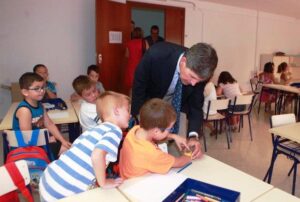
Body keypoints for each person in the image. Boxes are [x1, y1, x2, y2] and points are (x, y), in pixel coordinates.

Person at [131, 42, 218, 159]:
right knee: (147, 147)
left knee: (179, 148)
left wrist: (193, 136)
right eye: (192, 76)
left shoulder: (197, 77)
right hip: (151, 101)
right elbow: (139, 87)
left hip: (178, 104)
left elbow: (195, 106)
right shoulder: (156, 55)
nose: (194, 83)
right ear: (183, 62)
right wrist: (140, 120)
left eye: (198, 81)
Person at [39, 91, 131, 201]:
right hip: (62, 191)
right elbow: (97, 156)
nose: (130, 115)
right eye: (127, 110)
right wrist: (103, 182)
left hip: (49, 178)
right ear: (116, 111)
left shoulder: (94, 129)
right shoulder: (115, 131)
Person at [120, 98, 200, 179]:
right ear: (156, 131)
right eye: (170, 129)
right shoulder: (153, 154)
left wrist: (173, 136)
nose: (171, 131)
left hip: (126, 177)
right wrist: (189, 154)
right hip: (137, 184)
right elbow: (178, 162)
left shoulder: (135, 130)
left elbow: (155, 135)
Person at [13, 72, 71, 159]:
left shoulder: (40, 105)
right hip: (25, 147)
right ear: (25, 92)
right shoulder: (24, 110)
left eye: (42, 87)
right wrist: (46, 139)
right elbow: (27, 137)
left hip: (37, 142)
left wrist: (62, 140)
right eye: (36, 88)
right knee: (67, 152)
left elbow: (49, 124)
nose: (42, 91)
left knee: (67, 146)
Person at [124, 27, 148, 96]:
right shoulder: (144, 42)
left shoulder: (129, 42)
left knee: (132, 87)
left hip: (131, 67)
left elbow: (127, 55)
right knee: (141, 86)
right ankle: (139, 103)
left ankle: (130, 103)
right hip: (141, 66)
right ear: (142, 33)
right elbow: (148, 54)